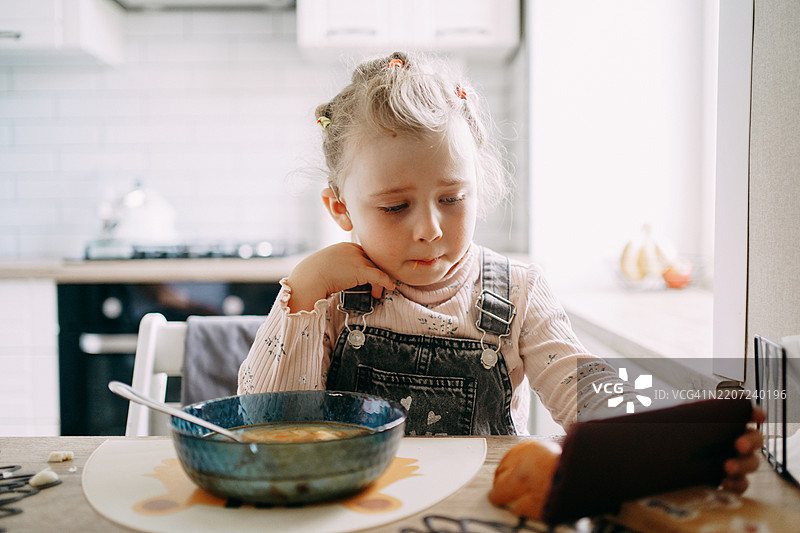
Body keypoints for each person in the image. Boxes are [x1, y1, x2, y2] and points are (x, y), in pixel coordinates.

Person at [238, 51, 763, 490]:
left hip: (484, 512)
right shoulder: (326, 296)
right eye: (395, 207)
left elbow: (585, 391)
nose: (430, 230)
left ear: (477, 187)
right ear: (341, 208)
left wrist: (670, 444)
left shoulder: (519, 291)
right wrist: (304, 291)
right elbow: (262, 429)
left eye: (452, 198)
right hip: (357, 515)